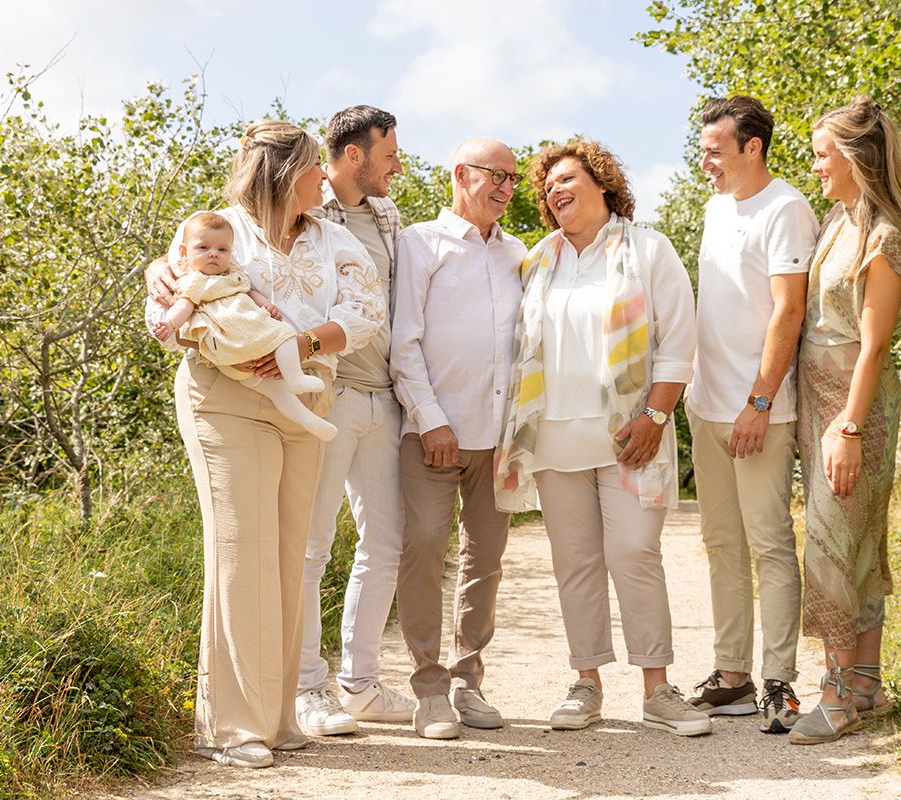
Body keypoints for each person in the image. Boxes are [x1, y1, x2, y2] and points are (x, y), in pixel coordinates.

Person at [145, 120, 383, 768]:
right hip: (226, 401)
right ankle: (231, 727)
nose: (323, 180)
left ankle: (275, 720)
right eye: (313, 170)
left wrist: (300, 345)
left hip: (305, 402)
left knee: (283, 556)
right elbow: (165, 304)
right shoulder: (218, 228)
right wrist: (162, 284)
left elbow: (367, 315)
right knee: (242, 553)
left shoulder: (334, 238)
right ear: (285, 176)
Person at [495, 140, 709, 737]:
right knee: (576, 563)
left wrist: (657, 417)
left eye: (566, 178)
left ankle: (658, 688)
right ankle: (585, 683)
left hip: (629, 436)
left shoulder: (648, 250)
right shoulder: (539, 260)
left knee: (634, 553)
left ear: (603, 182)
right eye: (547, 187)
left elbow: (678, 342)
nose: (555, 191)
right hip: (555, 438)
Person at [788, 95, 901, 745]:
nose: (814, 165)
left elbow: (872, 344)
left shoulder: (882, 234)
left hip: (855, 403)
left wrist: (847, 427)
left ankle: (837, 695)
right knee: (855, 537)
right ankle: (865, 682)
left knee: (835, 544)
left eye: (820, 154)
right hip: (820, 397)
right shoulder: (836, 220)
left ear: (851, 157)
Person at [684, 96, 818, 734]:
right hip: (706, 404)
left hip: (758, 407)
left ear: (751, 147)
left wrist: (760, 401)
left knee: (769, 544)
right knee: (721, 545)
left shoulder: (786, 209)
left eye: (714, 150)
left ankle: (779, 683)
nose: (704, 161)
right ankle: (732, 675)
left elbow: (787, 313)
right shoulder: (715, 207)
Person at [389, 137, 527, 740]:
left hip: (498, 438)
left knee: (486, 560)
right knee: (422, 546)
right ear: (459, 175)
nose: (504, 187)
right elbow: (404, 340)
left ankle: (469, 679)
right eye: (494, 174)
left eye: (513, 179)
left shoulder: (519, 253)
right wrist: (430, 416)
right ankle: (428, 686)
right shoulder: (420, 243)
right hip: (433, 432)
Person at [294, 105, 417, 735]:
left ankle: (360, 683)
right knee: (313, 546)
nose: (398, 163)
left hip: (384, 400)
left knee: (385, 544)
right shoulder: (306, 216)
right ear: (353, 156)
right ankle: (305, 689)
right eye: (389, 152)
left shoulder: (390, 218)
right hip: (330, 397)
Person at [150, 212, 335, 440]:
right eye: (203, 248)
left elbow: (249, 292)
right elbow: (183, 307)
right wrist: (169, 323)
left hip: (249, 342)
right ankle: (295, 378)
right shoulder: (193, 281)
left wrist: (266, 305)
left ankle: (307, 418)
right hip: (232, 345)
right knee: (283, 343)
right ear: (184, 252)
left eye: (222, 250)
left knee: (282, 366)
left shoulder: (233, 274)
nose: (213, 254)